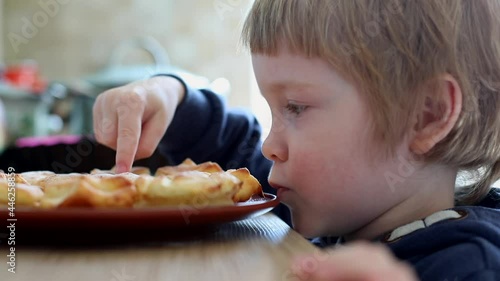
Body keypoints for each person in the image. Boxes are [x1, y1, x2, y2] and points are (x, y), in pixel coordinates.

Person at [92, 0, 500, 280]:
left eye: (297, 108)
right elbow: (231, 149)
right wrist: (170, 93)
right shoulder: (333, 206)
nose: (271, 145)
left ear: (426, 115)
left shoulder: (470, 265)